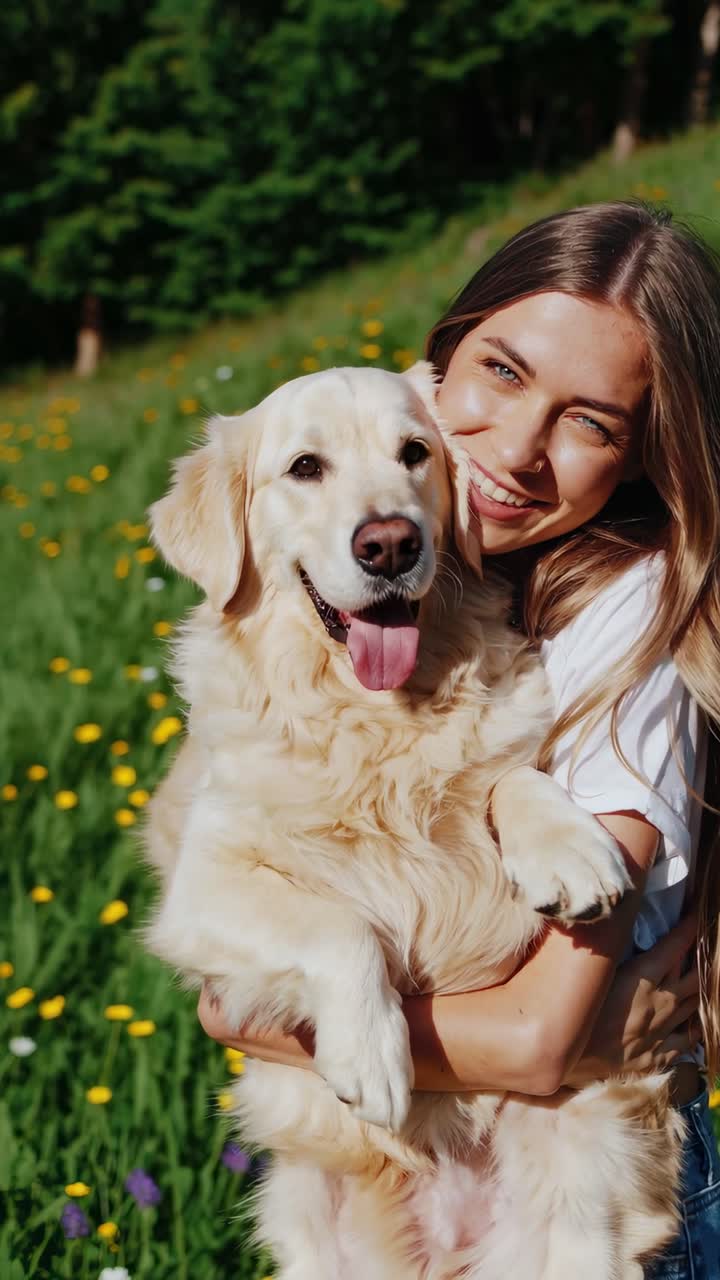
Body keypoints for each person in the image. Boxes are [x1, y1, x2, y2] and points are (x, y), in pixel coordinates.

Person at [198, 201, 720, 1276]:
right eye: (504, 374)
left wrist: (278, 1017)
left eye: (592, 423)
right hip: (380, 1179)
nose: (520, 450)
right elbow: (219, 977)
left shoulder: (637, 629)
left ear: (641, 457)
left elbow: (537, 1042)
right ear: (443, 368)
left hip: (570, 1177)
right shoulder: (439, 545)